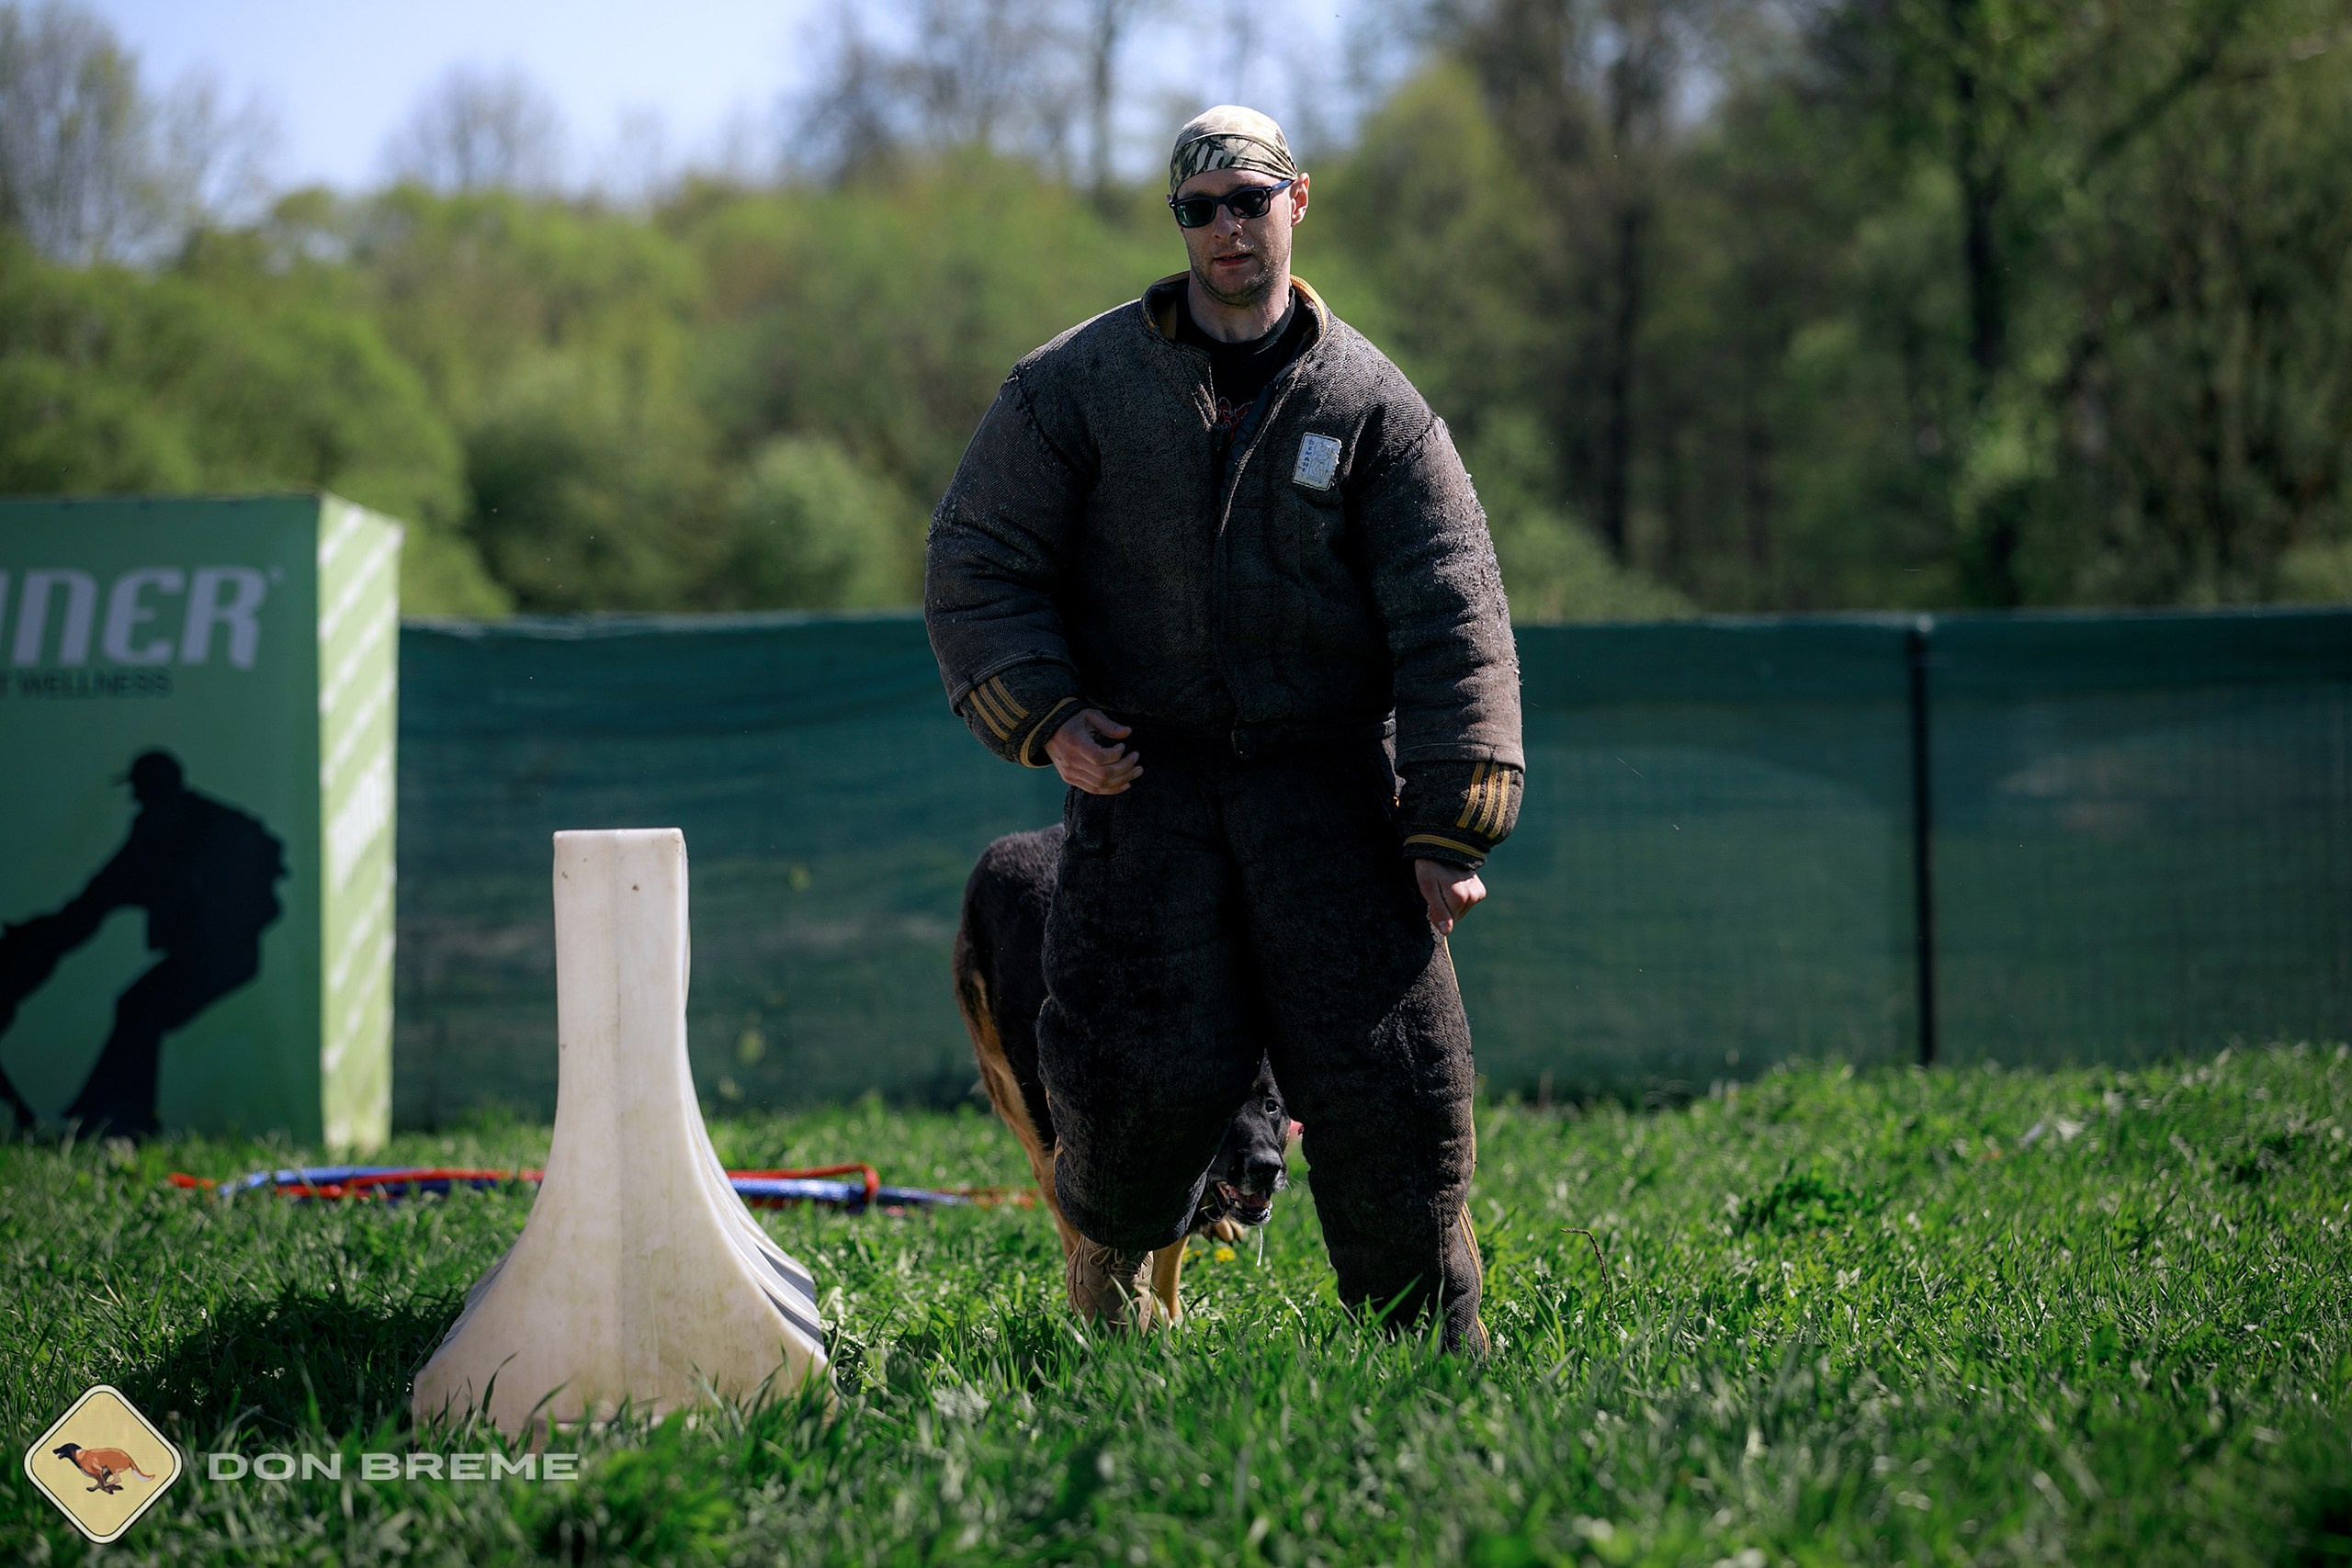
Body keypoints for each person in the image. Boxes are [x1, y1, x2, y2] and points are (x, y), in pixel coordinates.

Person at [923, 106, 1522, 1351]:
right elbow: (979, 559)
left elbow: (1451, 608)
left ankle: (1433, 1361)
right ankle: (1104, 1322)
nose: (1226, 229)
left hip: (1330, 794)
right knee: (1126, 1082)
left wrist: (1446, 824)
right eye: (1199, 210)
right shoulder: (1073, 387)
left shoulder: (1371, 403)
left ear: (1296, 200)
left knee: (1397, 1091)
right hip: (1145, 788)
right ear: (1178, 223)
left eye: (1249, 200)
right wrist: (1049, 717)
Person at [0, 749, 286, 1136]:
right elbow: (97, 898)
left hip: (226, 955)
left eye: (141, 791)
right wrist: (40, 935)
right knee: (137, 1008)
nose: (137, 800)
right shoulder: (153, 835)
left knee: (143, 1010)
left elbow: (267, 881)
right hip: (200, 954)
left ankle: (121, 1119)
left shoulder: (218, 829)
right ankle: (111, 1116)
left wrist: (211, 916)